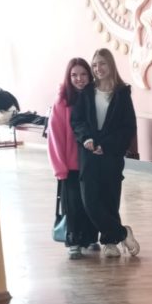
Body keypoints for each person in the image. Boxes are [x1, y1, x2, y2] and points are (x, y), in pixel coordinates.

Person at [70, 48, 140, 258]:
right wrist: (86, 139)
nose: (98, 68)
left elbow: (128, 127)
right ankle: (122, 233)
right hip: (89, 155)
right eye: (94, 65)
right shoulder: (86, 92)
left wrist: (107, 146)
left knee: (110, 200)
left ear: (110, 65)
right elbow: (77, 121)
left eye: (102, 63)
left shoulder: (122, 93)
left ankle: (110, 242)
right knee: (90, 201)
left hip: (111, 156)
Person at [46, 58, 100, 259]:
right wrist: (59, 168)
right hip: (71, 166)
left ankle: (91, 238)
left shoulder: (96, 98)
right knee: (73, 205)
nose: (79, 79)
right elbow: (55, 137)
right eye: (74, 75)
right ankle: (74, 242)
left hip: (92, 162)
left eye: (83, 74)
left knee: (91, 203)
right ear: (68, 78)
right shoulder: (62, 102)